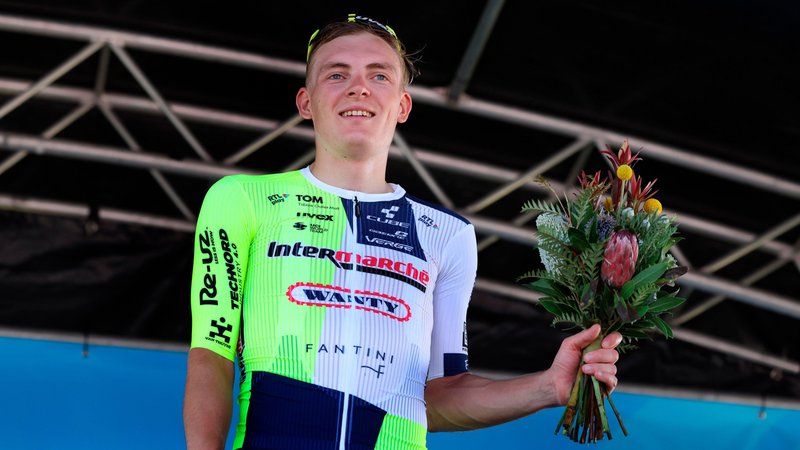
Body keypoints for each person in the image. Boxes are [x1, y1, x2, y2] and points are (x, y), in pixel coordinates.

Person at [183, 14, 622, 450]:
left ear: (403, 105)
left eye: (379, 75)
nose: (358, 87)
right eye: (336, 74)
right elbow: (211, 354)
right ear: (305, 102)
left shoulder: (447, 235)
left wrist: (547, 386)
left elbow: (440, 396)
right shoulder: (243, 200)